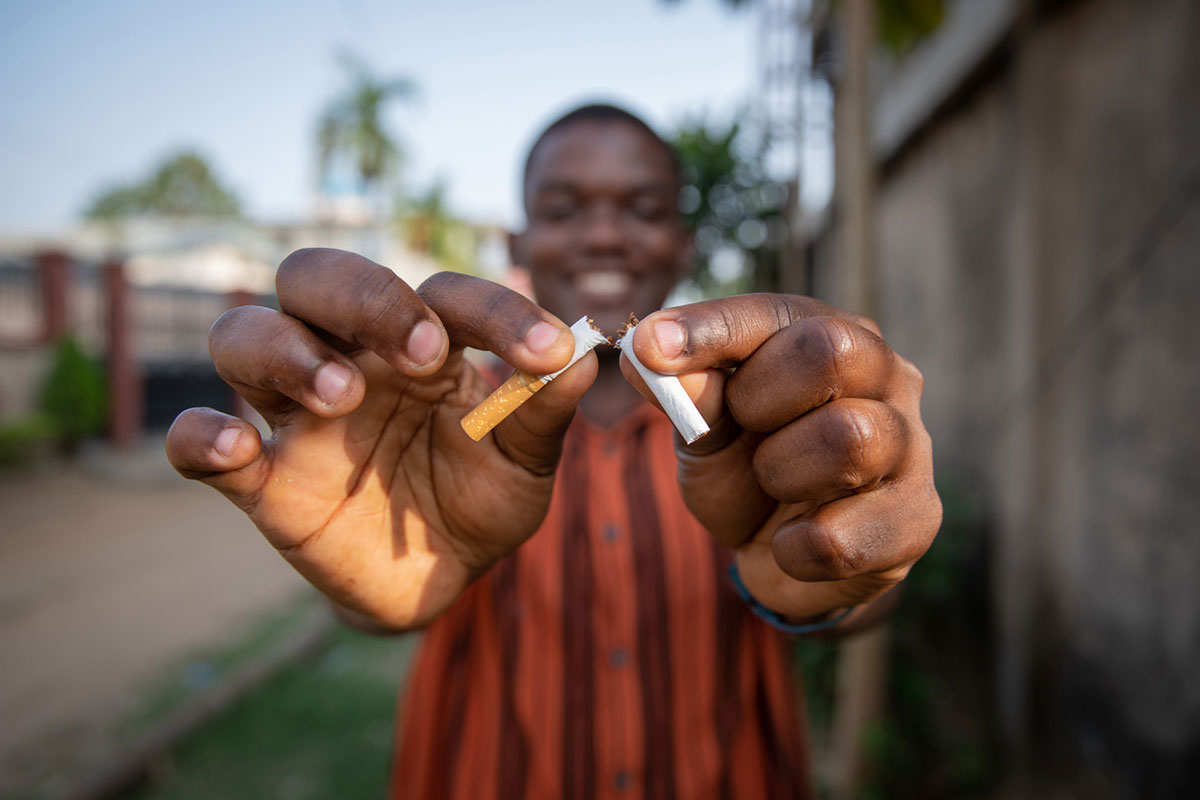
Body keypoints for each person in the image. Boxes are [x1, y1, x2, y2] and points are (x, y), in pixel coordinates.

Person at [166, 104, 940, 798]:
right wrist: (369, 577)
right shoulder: (445, 428)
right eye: (565, 209)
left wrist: (848, 556)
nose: (604, 235)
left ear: (683, 243)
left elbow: (853, 600)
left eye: (642, 208)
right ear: (520, 240)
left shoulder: (753, 429)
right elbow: (372, 601)